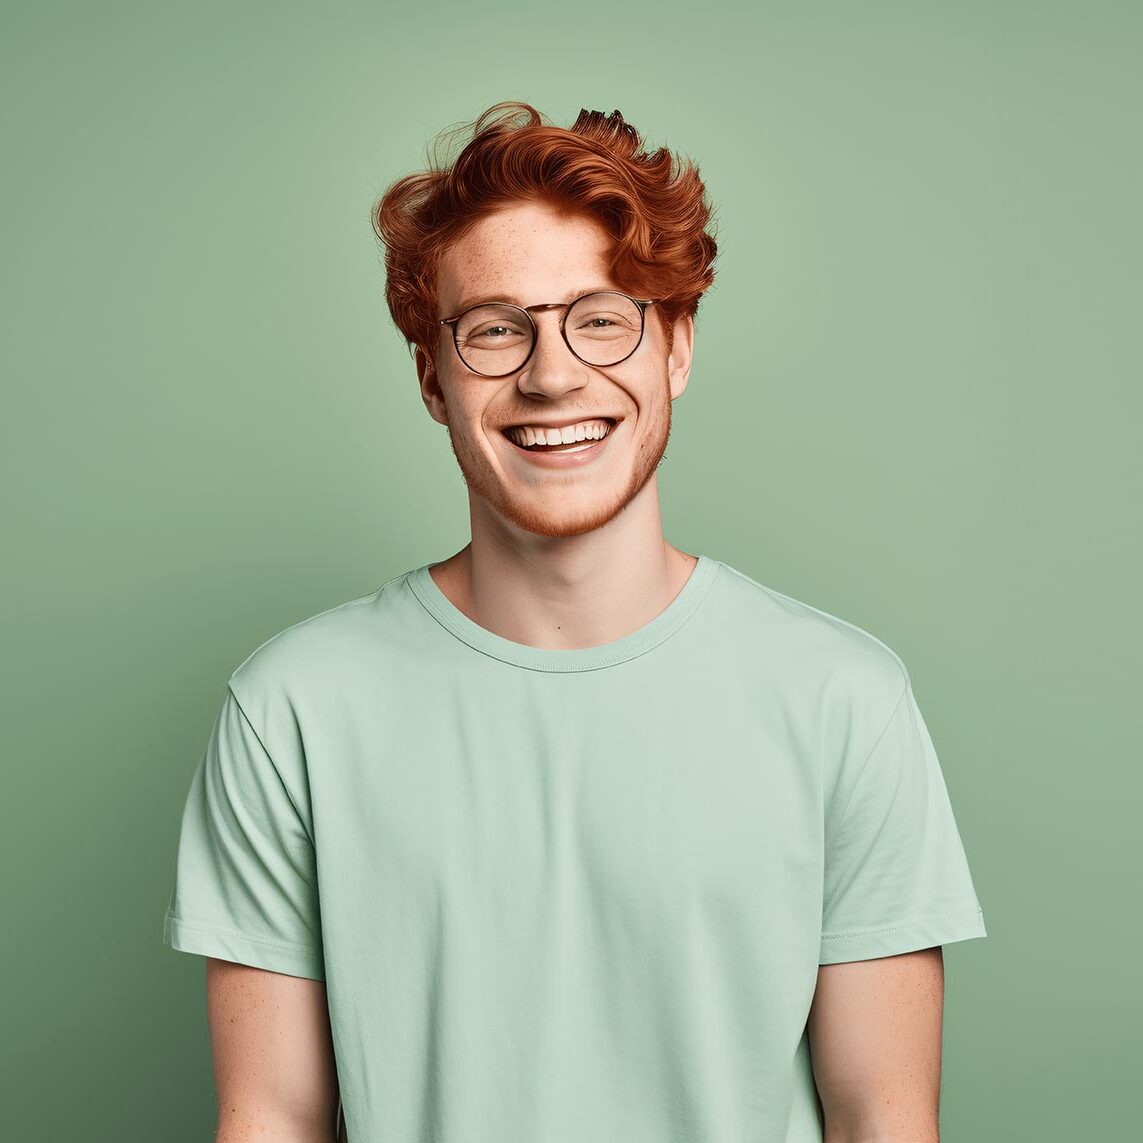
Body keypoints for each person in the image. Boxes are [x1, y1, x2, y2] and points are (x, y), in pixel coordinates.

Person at [162, 101, 987, 1143]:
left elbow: (885, 1118)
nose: (553, 375)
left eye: (602, 318)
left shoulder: (843, 702)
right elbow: (271, 1116)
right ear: (433, 378)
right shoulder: (293, 709)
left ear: (677, 350)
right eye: (496, 329)